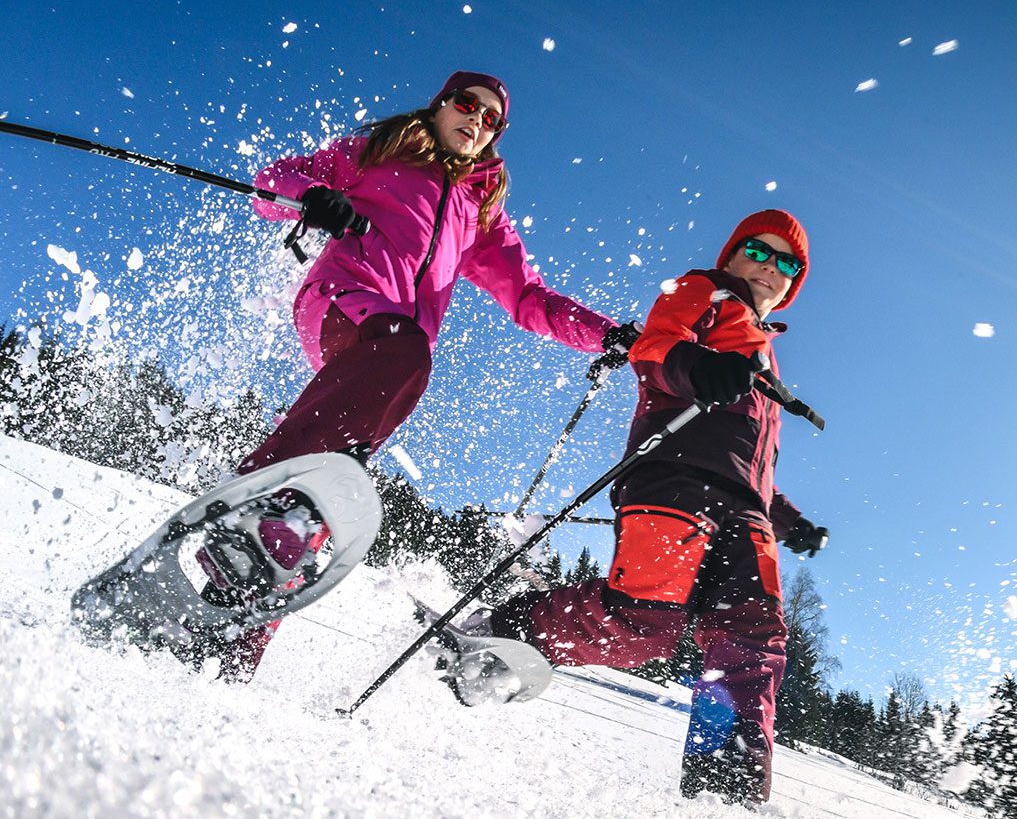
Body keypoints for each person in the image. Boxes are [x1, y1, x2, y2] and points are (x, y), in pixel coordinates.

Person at [196, 70, 625, 681]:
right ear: (440, 104)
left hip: (390, 351)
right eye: (466, 104)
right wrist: (316, 195)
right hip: (344, 299)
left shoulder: (481, 213)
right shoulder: (383, 150)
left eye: (491, 120)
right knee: (406, 354)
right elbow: (276, 182)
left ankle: (231, 638)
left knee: (340, 476)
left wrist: (607, 334)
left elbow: (529, 298)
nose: (475, 121)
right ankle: (255, 499)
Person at [480, 209, 830, 806]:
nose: (770, 269)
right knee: (646, 622)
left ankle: (726, 789)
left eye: (786, 263)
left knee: (754, 636)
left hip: (745, 509)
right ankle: (511, 626)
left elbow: (750, 461)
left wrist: (791, 521)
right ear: (732, 253)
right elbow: (655, 347)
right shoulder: (705, 290)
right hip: (674, 481)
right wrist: (701, 367)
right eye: (759, 252)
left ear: (794, 283)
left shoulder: (765, 352)